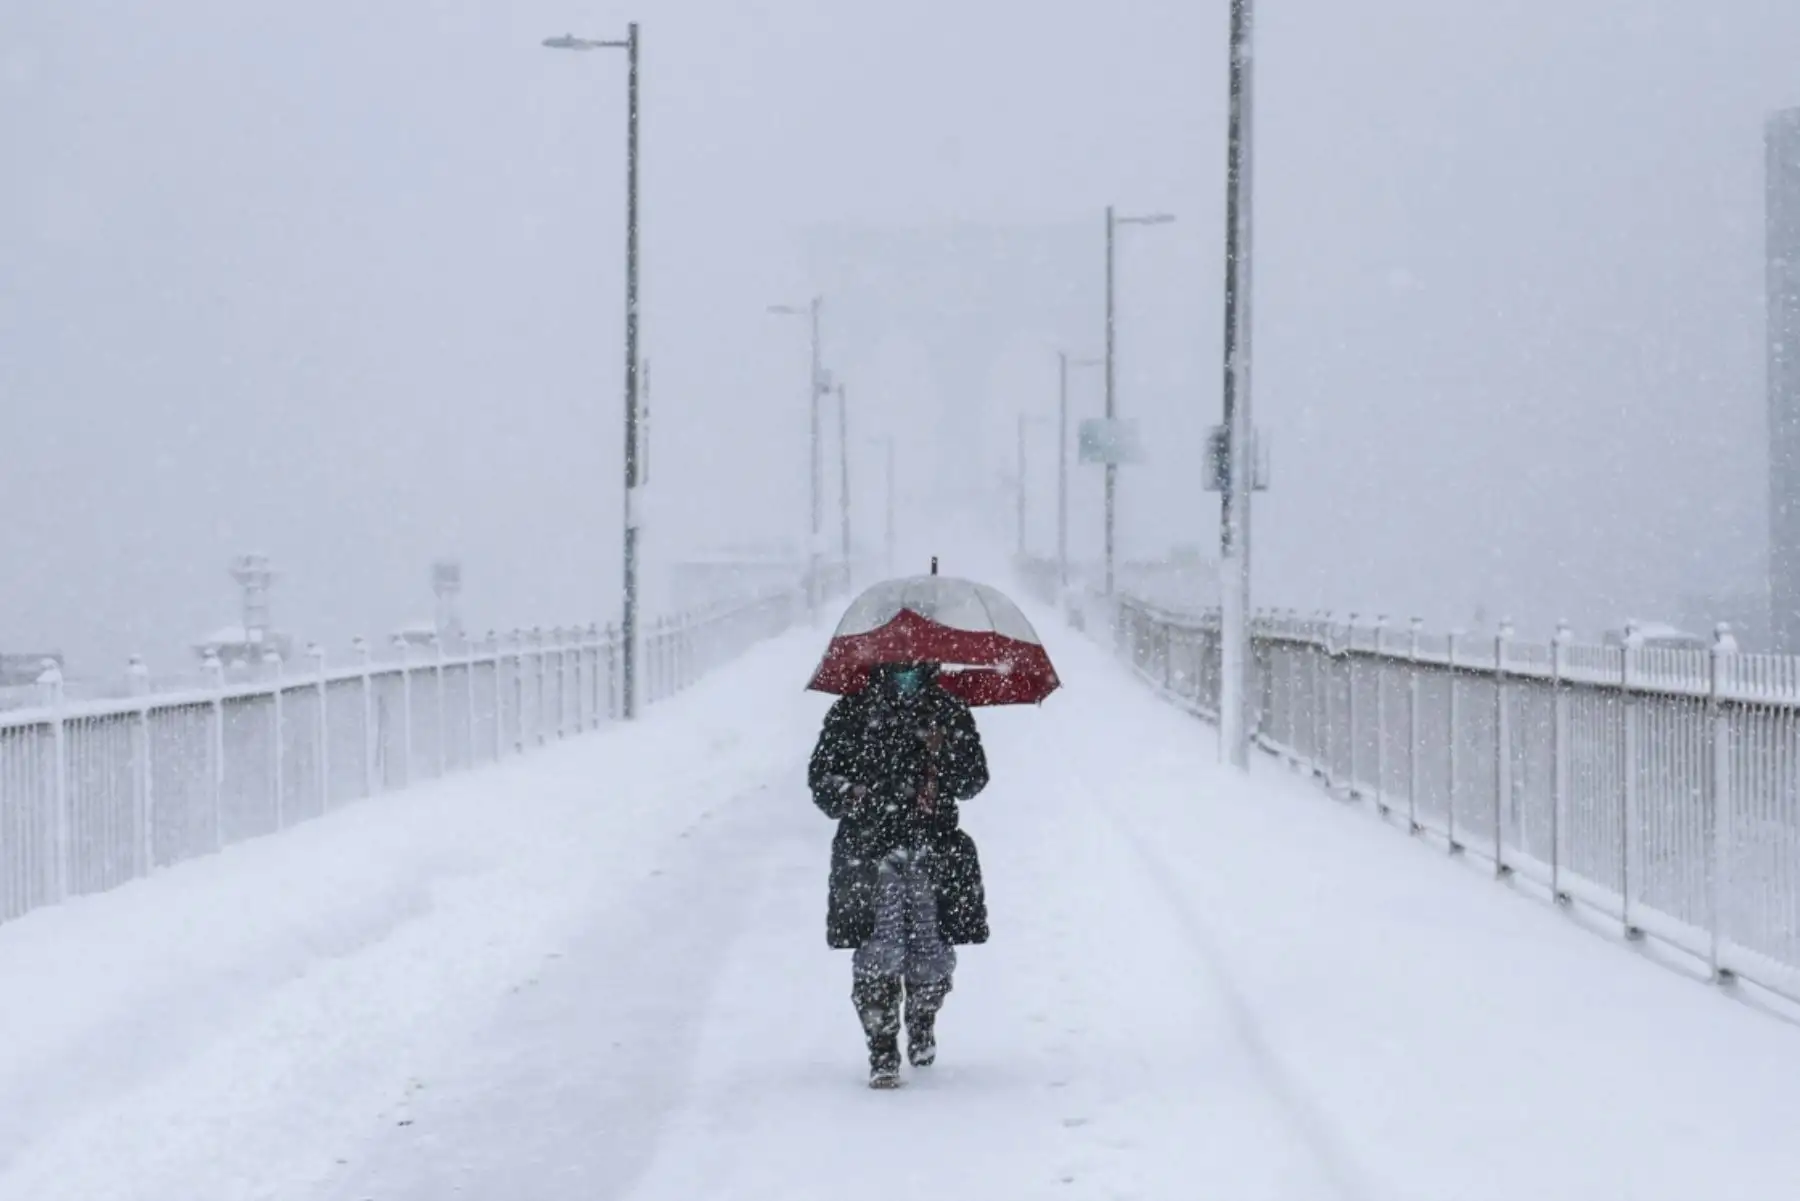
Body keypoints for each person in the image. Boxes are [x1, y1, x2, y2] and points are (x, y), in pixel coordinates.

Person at [808, 660, 990, 1088]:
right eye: (895, 663)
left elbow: (973, 780)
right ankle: (882, 1047)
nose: (904, 671)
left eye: (914, 664)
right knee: (877, 952)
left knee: (931, 951)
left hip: (933, 849)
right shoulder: (851, 712)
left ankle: (923, 1017)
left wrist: (944, 751)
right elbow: (822, 781)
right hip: (869, 853)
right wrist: (854, 793)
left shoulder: (948, 710)